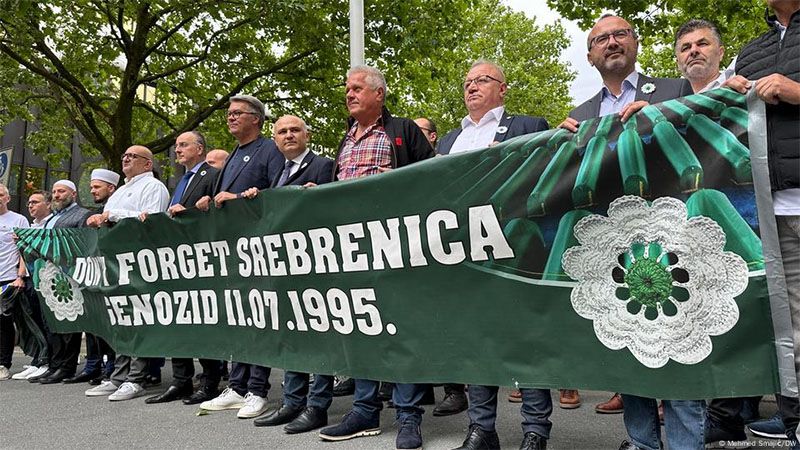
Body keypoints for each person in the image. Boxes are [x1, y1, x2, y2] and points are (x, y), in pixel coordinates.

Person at [559, 14, 703, 450]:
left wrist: (662, 115)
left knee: (680, 352)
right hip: (612, 249)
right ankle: (641, 443)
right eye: (600, 38)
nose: (611, 42)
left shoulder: (676, 91)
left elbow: (706, 136)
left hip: (675, 240)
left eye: (620, 34)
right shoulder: (578, 116)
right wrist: (558, 145)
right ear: (590, 56)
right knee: (629, 352)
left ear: (635, 43)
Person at [317, 65, 434, 450]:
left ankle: (408, 416)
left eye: (356, 88)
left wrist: (397, 185)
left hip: (394, 246)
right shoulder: (346, 139)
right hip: (351, 249)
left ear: (378, 94)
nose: (348, 94)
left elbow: (434, 178)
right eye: (346, 89)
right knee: (361, 327)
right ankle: (364, 411)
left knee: (400, 329)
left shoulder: (402, 131)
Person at [437, 60, 551, 450]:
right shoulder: (448, 141)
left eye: (482, 80)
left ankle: (535, 430)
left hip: (516, 247)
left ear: (502, 88)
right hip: (464, 253)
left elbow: (546, 177)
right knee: (476, 341)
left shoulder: (528, 127)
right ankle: (482, 429)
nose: (471, 86)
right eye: (467, 82)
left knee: (525, 340)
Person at [707, 0, 800, 445]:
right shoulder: (752, 52)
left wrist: (796, 90)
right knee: (792, 330)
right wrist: (729, 96)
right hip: (774, 209)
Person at [197, 95, 282, 419]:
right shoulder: (233, 154)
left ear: (256, 119)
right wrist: (209, 200)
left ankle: (257, 390)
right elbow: (225, 197)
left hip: (258, 249)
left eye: (237, 113)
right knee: (240, 319)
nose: (230, 117)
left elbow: (276, 193)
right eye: (229, 113)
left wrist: (239, 198)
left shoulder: (269, 150)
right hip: (233, 251)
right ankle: (237, 385)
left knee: (259, 319)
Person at [251, 115, 335, 433]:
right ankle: (292, 402)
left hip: (316, 267)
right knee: (292, 336)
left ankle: (317, 405)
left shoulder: (324, 166)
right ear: (274, 140)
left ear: (307, 135)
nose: (288, 135)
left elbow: (334, 210)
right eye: (282, 131)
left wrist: (318, 196)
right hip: (285, 268)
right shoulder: (277, 173)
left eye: (294, 130)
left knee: (320, 338)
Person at [144, 131, 223, 405]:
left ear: (199, 149)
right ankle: (181, 381)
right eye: (176, 145)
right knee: (178, 321)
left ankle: (210, 381)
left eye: (183, 145)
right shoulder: (181, 180)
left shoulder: (212, 175)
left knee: (203, 324)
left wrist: (192, 210)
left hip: (200, 260)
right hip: (176, 262)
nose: (177, 150)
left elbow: (219, 214)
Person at [84, 145, 169, 401]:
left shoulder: (154, 187)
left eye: (132, 156)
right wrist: (100, 219)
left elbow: (152, 220)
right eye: (124, 156)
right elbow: (110, 218)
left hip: (140, 262)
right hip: (116, 263)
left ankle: (136, 378)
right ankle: (118, 377)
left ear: (147, 164)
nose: (126, 159)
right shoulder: (121, 190)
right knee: (121, 321)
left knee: (139, 321)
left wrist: (113, 214)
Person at [32, 180, 93, 385]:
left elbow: (84, 244)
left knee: (68, 323)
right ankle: (54, 365)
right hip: (48, 276)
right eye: (54, 191)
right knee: (52, 323)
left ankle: (66, 367)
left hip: (68, 278)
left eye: (62, 191)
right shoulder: (51, 218)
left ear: (73, 194)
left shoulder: (82, 214)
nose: (57, 195)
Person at [66, 169, 120, 386]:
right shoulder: (91, 214)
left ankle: (111, 367)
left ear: (111, 188)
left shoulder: (117, 211)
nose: (92, 191)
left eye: (97, 187)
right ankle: (94, 365)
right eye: (91, 187)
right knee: (94, 324)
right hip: (93, 274)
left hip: (113, 275)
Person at [0, 183, 30, 381]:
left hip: (8, 278)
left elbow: (24, 249)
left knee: (3, 321)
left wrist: (20, 276)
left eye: (0, 195)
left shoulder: (18, 219)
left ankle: (3, 364)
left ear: (8, 198)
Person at [674, 19, 731, 93]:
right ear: (678, 63)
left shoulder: (740, 86)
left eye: (702, 44)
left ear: (720, 53)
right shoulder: (672, 98)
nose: (693, 50)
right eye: (686, 48)